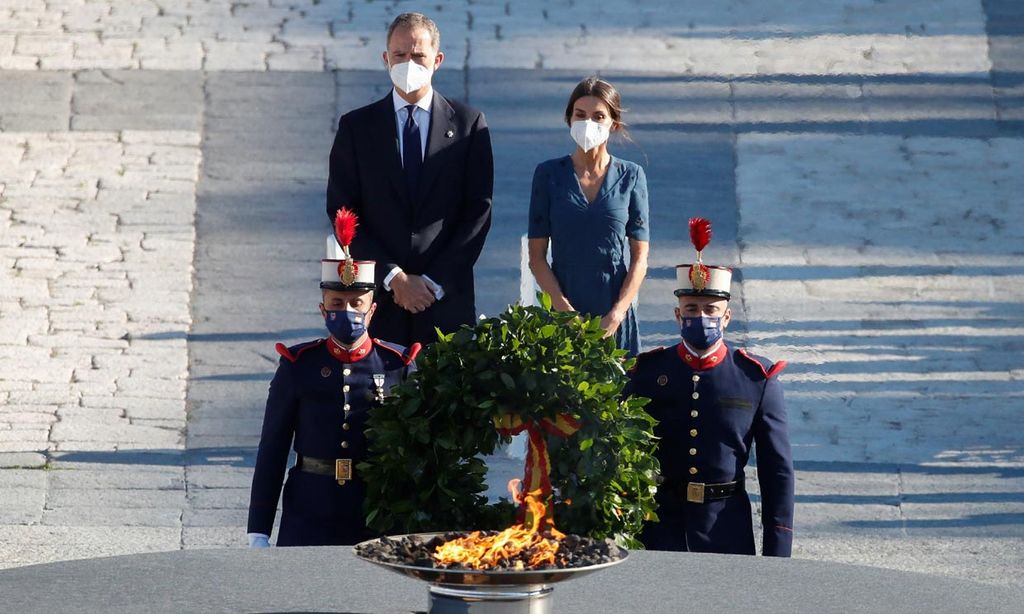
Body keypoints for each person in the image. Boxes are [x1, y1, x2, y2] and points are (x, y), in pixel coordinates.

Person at [247, 210, 420, 547]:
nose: (348, 312)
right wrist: (259, 528)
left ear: (372, 310)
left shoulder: (397, 365)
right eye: (337, 303)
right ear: (323, 309)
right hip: (310, 510)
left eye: (357, 304)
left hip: (375, 512)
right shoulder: (298, 365)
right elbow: (273, 448)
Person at [625, 218, 794, 556]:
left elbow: (777, 472)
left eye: (710, 310)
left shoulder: (756, 378)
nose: (700, 317)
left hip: (725, 529)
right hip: (659, 527)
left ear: (727, 317)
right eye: (691, 309)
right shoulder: (646, 373)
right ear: (677, 315)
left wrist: (778, 552)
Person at [326, 12, 493, 346]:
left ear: (437, 60)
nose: (408, 63)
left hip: (445, 301)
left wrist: (433, 281)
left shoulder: (468, 125)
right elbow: (343, 209)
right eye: (399, 55)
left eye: (418, 55)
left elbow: (478, 212)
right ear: (386, 58)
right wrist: (395, 277)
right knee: (379, 397)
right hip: (378, 301)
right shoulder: (357, 128)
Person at [527, 77, 649, 355]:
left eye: (598, 117)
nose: (588, 124)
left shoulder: (631, 176)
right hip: (563, 309)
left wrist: (617, 313)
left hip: (612, 311)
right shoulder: (548, 174)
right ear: (569, 119)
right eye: (580, 115)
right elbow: (536, 256)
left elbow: (640, 258)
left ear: (613, 124)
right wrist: (563, 310)